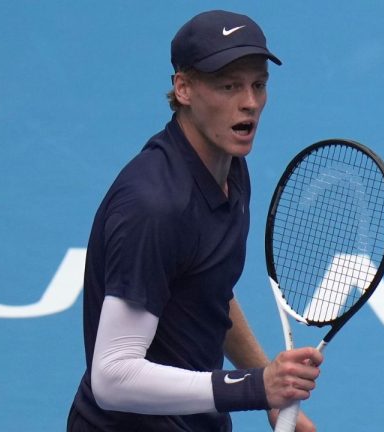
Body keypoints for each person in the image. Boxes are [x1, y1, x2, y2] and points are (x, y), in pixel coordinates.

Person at [67, 10, 323, 432]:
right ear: (183, 88)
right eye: (229, 86)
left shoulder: (229, 169)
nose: (250, 102)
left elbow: (208, 291)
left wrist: (270, 390)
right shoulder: (153, 206)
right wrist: (254, 387)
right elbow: (112, 377)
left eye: (258, 85)